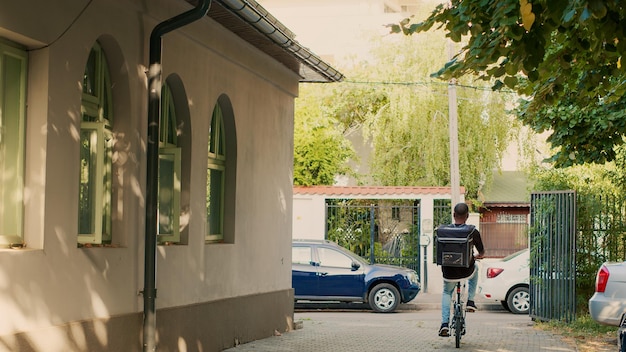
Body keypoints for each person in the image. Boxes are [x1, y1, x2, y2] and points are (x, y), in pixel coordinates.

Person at [438, 202, 485, 337]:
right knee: (475, 268)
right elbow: (481, 252)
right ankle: (470, 301)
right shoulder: (472, 231)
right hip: (466, 271)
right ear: (467, 216)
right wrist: (477, 256)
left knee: (447, 292)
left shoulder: (443, 231)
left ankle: (444, 324)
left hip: (449, 272)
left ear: (453, 215)